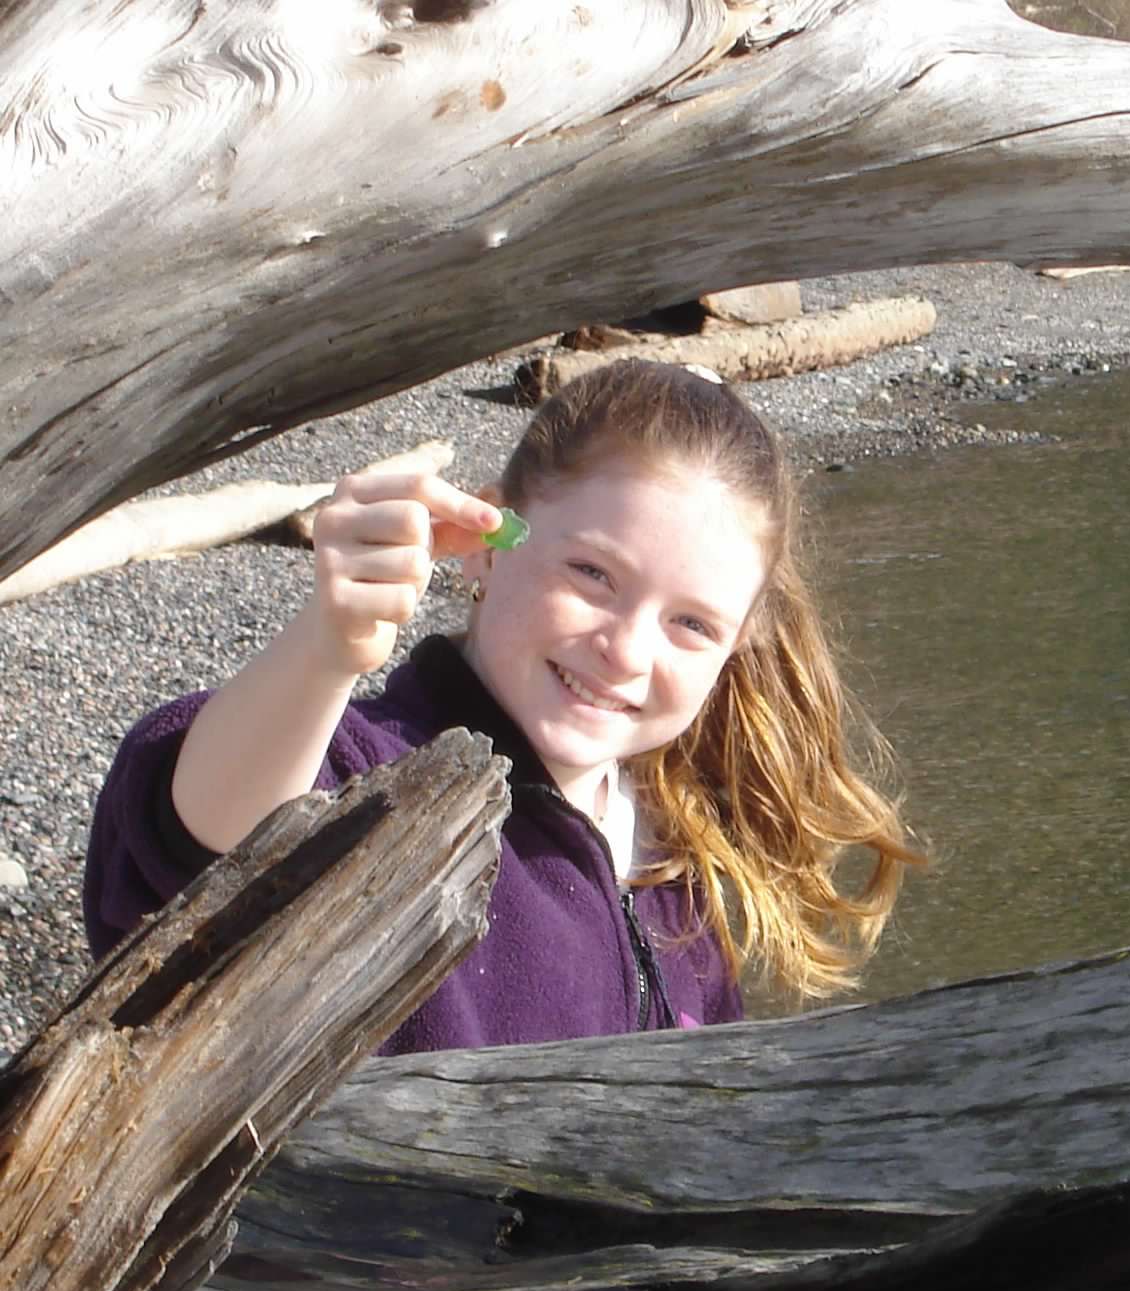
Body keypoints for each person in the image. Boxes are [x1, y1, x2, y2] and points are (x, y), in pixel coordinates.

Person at [85, 360, 920, 1054]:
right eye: (592, 575)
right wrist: (327, 642)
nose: (627, 650)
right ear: (489, 539)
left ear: (737, 645)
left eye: (690, 624)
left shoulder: (673, 858)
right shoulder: (368, 776)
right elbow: (198, 837)